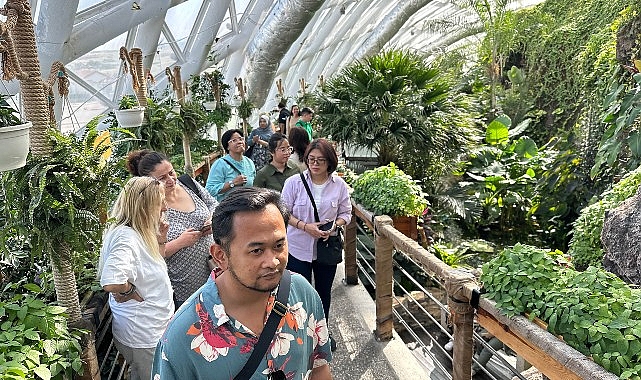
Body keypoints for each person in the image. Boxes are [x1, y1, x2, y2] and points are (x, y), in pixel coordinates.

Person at [151, 187, 333, 380]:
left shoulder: (301, 292)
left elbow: (319, 367)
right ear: (221, 256)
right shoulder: (181, 337)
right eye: (256, 251)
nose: (273, 261)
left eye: (279, 245)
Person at [98, 176, 174, 380]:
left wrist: (160, 240)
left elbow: (148, 268)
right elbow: (111, 281)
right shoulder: (126, 237)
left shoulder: (137, 233)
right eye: (160, 202)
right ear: (144, 206)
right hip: (143, 335)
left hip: (150, 330)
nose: (165, 208)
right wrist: (129, 291)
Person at [281, 139, 352, 351]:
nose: (315, 164)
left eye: (321, 160)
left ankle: (322, 335)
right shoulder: (294, 183)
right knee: (298, 294)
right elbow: (284, 213)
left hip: (326, 249)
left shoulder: (339, 185)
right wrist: (305, 227)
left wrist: (334, 226)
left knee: (323, 294)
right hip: (297, 247)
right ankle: (300, 336)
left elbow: (346, 213)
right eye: (311, 159)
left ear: (330, 163)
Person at [126, 150, 218, 309]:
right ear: (149, 182)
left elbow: (213, 203)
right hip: (183, 285)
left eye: (171, 172)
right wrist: (180, 242)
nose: (170, 180)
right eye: (162, 178)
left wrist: (212, 218)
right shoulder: (149, 207)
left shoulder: (187, 183)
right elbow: (149, 253)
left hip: (214, 268)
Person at [206, 129, 256, 202]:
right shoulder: (220, 164)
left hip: (246, 208)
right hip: (227, 209)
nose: (239, 142)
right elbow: (209, 190)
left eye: (241, 139)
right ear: (227, 147)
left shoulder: (249, 162)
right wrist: (233, 183)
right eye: (234, 140)